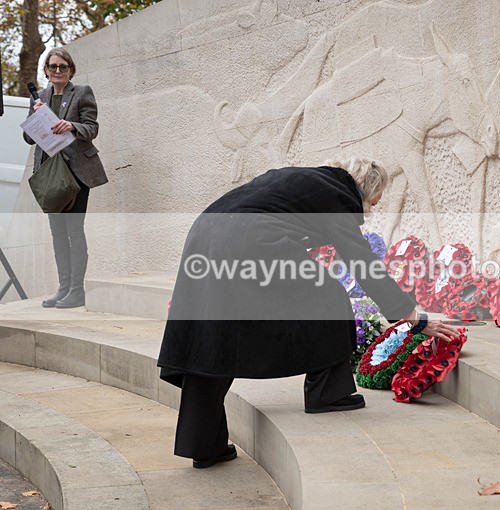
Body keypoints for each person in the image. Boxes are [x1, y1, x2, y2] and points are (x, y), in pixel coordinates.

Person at [158, 158, 460, 468]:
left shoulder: (309, 181)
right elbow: (363, 263)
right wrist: (413, 317)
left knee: (214, 334)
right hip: (251, 240)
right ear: (365, 190)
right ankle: (329, 393)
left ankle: (203, 444)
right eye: (374, 201)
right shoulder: (339, 197)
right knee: (330, 298)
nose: (372, 209)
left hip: (204, 233)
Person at [23, 47, 108, 308]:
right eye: (52, 67)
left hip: (76, 172)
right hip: (50, 174)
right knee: (57, 234)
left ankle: (76, 290)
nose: (57, 71)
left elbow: (91, 128)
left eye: (63, 66)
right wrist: (36, 116)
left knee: (74, 231)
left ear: (71, 70)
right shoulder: (40, 98)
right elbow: (29, 137)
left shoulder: (82, 92)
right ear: (46, 71)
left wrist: (71, 126)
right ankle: (63, 288)